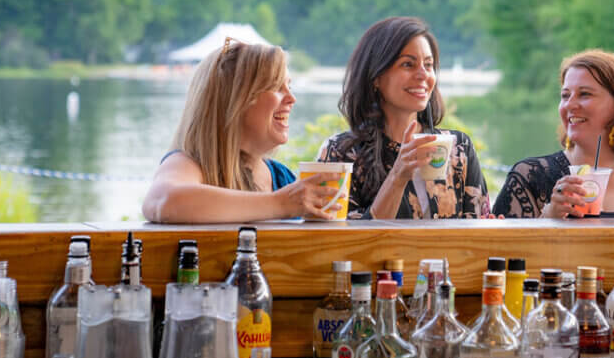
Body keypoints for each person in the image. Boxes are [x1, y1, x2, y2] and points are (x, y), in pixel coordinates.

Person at [142, 39, 341, 223]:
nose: (292, 98)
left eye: (289, 86)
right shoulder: (190, 164)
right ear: (234, 101)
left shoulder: (281, 177)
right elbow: (163, 201)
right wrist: (280, 204)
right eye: (275, 86)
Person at [317, 16, 492, 219]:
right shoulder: (342, 153)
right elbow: (342, 245)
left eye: (428, 65)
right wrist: (398, 176)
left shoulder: (459, 148)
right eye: (408, 64)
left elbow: (478, 233)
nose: (423, 75)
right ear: (376, 77)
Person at [492, 49, 614, 218]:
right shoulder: (530, 178)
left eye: (585, 94)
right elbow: (498, 257)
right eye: (565, 95)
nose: (570, 105)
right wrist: (549, 218)